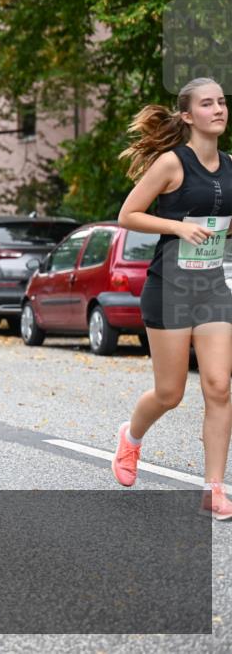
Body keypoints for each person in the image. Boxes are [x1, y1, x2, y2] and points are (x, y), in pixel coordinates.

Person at [114, 77, 232, 519]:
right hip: (170, 288)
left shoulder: (231, 166)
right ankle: (131, 437)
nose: (218, 109)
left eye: (221, 102)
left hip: (212, 288)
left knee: (219, 386)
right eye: (207, 104)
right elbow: (128, 215)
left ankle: (213, 489)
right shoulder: (171, 163)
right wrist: (178, 226)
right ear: (187, 115)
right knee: (170, 393)